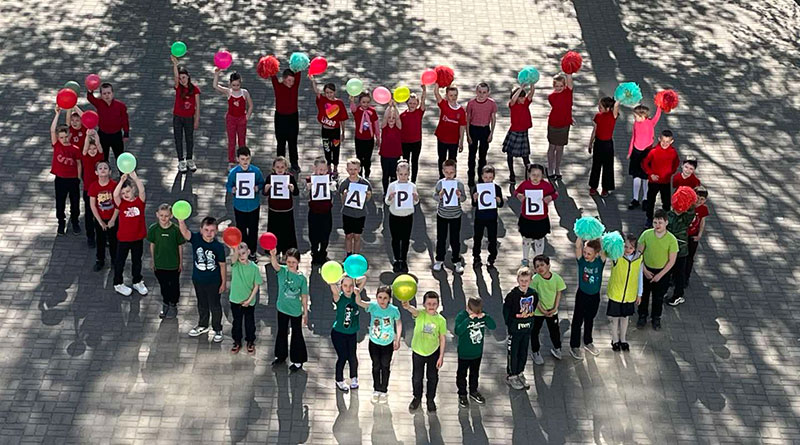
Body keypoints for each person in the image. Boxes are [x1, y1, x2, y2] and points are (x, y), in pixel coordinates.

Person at [178, 217, 227, 342]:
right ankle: (203, 325)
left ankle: (217, 328)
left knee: (215, 306)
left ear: (216, 231)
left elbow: (222, 265)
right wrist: (181, 221)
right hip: (198, 280)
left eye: (212, 230)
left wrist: (223, 282)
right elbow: (185, 232)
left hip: (214, 282)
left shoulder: (218, 247)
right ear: (201, 230)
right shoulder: (196, 239)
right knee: (202, 304)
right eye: (206, 230)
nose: (209, 233)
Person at [354, 284, 402, 404]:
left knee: (385, 366)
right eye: (380, 297)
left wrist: (397, 339)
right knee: (376, 366)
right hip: (374, 342)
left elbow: (398, 323)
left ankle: (384, 390)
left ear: (389, 299)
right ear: (376, 297)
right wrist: (357, 293)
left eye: (385, 298)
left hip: (388, 343)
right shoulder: (373, 306)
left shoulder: (394, 310)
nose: (382, 300)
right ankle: (376, 389)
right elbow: (359, 302)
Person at [402, 291, 446, 413]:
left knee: (432, 377)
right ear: (424, 304)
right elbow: (412, 310)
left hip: (433, 353)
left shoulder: (441, 320)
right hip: (418, 352)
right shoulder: (420, 314)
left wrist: (441, 356)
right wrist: (407, 306)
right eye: (428, 304)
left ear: (438, 304)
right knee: (417, 377)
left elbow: (442, 338)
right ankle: (417, 397)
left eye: (434, 304)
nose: (431, 306)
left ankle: (430, 399)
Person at [636, 209, 678, 330]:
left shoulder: (672, 240)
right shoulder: (646, 235)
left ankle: (656, 318)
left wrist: (660, 275)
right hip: (646, 270)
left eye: (660, 222)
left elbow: (671, 261)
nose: (657, 225)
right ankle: (642, 316)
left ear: (666, 223)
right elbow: (639, 254)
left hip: (662, 272)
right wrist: (644, 270)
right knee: (643, 294)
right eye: (655, 222)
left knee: (658, 297)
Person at [269, 248, 309, 371]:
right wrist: (273, 255)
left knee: (297, 334)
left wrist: (305, 313)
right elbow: (274, 265)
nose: (291, 264)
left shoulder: (301, 279)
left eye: (293, 262)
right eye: (289, 262)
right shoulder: (282, 271)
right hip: (282, 308)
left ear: (298, 262)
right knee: (281, 331)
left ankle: (298, 360)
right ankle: (280, 356)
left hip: (295, 311)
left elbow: (304, 296)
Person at [454, 297, 496, 407]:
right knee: (461, 375)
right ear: (467, 308)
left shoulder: (482, 316)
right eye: (473, 312)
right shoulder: (461, 316)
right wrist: (468, 319)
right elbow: (458, 331)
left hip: (477, 352)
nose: (476, 314)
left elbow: (493, 326)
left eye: (478, 312)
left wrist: (486, 317)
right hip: (464, 353)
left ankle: (473, 391)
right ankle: (462, 394)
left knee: (474, 374)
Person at [569, 237, 606, 360]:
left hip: (594, 296)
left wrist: (598, 234)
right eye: (585, 252)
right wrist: (581, 233)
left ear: (596, 254)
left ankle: (588, 342)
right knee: (577, 320)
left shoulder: (600, 262)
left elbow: (603, 247)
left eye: (589, 253)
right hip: (582, 295)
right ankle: (574, 346)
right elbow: (578, 246)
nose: (585, 255)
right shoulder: (582, 261)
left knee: (589, 319)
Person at [112, 172, 148, 297]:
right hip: (124, 239)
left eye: (127, 191)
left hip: (137, 238)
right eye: (122, 193)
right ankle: (118, 283)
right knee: (120, 261)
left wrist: (135, 178)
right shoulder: (121, 204)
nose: (125, 195)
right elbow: (115, 194)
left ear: (133, 189)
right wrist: (121, 181)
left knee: (137, 260)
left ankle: (137, 281)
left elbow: (142, 190)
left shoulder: (140, 202)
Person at [226, 146, 265, 261]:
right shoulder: (233, 173)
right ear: (238, 159)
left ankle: (252, 252)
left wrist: (258, 187)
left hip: (253, 206)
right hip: (240, 207)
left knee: (253, 230)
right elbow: (228, 185)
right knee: (241, 230)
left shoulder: (256, 171)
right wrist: (232, 189)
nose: (245, 162)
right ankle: (243, 252)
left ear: (250, 158)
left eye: (247, 159)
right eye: (242, 159)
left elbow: (261, 183)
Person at [514, 164, 558, 265]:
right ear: (529, 174)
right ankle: (525, 259)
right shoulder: (525, 185)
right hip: (527, 218)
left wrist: (550, 197)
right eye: (533, 175)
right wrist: (519, 196)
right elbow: (516, 192)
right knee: (526, 239)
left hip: (541, 218)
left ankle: (539, 260)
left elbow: (555, 193)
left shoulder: (546, 185)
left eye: (539, 175)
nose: (536, 177)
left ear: (542, 175)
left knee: (540, 239)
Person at [147, 203, 185, 319]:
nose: (164, 218)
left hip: (173, 264)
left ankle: (173, 304)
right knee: (163, 285)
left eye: (166, 216)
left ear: (171, 216)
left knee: (174, 285)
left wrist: (180, 262)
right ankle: (165, 302)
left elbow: (180, 246)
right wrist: (153, 260)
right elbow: (152, 245)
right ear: (157, 215)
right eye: (161, 215)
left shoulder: (176, 230)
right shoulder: (153, 229)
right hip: (159, 264)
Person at [607, 233, 643, 351]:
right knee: (615, 318)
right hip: (616, 294)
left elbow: (640, 276)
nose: (628, 250)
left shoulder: (639, 258)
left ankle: (623, 339)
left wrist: (639, 293)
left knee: (625, 318)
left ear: (635, 248)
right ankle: (615, 339)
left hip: (629, 295)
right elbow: (607, 249)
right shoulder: (616, 256)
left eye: (631, 248)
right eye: (625, 246)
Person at [329, 276, 364, 393]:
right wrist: (333, 278)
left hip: (352, 333)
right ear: (341, 287)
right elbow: (332, 286)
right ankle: (339, 379)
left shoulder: (356, 296)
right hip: (338, 333)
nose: (348, 288)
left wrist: (353, 278)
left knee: (352, 356)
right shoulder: (339, 298)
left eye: (350, 286)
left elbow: (364, 278)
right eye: (345, 286)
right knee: (343, 356)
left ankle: (354, 377)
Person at [309, 75, 349, 178]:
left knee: (336, 149)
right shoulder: (322, 100)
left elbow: (342, 119)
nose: (329, 95)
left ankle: (335, 167)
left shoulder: (339, 103)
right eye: (327, 92)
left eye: (331, 92)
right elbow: (316, 91)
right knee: (327, 149)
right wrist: (313, 80)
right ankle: (328, 167)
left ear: (334, 92)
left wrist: (343, 132)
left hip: (335, 131)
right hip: (325, 131)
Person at [504, 267, 537, 390]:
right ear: (518, 279)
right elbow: (506, 311)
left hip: (527, 329)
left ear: (530, 281)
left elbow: (534, 306)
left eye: (526, 280)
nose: (524, 283)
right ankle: (511, 375)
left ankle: (520, 372)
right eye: (522, 280)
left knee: (523, 352)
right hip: (515, 330)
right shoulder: (512, 296)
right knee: (513, 353)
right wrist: (510, 325)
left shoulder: (533, 294)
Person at [50, 106, 82, 236]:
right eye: (61, 137)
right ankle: (61, 222)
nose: (64, 139)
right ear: (58, 138)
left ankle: (75, 221)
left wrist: (78, 178)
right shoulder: (57, 145)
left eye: (65, 137)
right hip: (60, 179)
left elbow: (79, 164)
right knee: (60, 202)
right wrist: (57, 114)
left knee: (75, 202)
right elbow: (52, 130)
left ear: (69, 135)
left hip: (72, 179)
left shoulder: (75, 149)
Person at [213, 69, 253, 167]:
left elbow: (251, 105)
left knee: (242, 141)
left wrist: (247, 116)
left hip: (241, 119)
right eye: (233, 85)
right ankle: (231, 160)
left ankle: (243, 159)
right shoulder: (228, 92)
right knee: (231, 141)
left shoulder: (244, 92)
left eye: (237, 85)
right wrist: (217, 74)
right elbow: (215, 86)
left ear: (240, 83)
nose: (235, 87)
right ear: (230, 84)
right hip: (231, 119)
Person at [530, 255, 566, 364]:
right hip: (538, 312)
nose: (540, 268)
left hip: (552, 310)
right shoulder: (535, 279)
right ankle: (535, 352)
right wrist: (542, 310)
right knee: (535, 331)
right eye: (537, 266)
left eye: (542, 265)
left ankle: (557, 348)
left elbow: (559, 293)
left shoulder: (557, 278)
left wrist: (555, 308)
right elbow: (534, 296)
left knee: (554, 331)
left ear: (548, 265)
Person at [433, 159, 467, 273]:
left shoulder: (459, 184)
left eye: (451, 172)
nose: (449, 174)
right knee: (441, 238)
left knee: (455, 239)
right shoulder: (440, 183)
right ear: (443, 171)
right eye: (446, 172)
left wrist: (460, 196)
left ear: (455, 172)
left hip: (455, 215)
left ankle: (456, 260)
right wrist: (439, 196)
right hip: (442, 214)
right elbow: (434, 196)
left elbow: (464, 198)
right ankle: (439, 259)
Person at [385, 160, 419, 273]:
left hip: (407, 217)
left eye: (405, 174)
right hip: (395, 216)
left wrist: (416, 198)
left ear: (409, 174)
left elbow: (415, 202)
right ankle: (396, 260)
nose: (403, 177)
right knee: (395, 239)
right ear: (396, 173)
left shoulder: (412, 186)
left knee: (405, 239)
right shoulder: (392, 186)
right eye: (401, 174)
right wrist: (390, 198)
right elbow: (387, 202)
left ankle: (403, 260)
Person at [228, 242, 262, 355]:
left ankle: (250, 341)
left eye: (243, 253)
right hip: (235, 300)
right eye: (239, 254)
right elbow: (233, 258)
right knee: (236, 323)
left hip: (249, 301)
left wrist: (249, 300)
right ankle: (237, 341)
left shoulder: (254, 268)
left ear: (248, 252)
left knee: (249, 323)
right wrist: (234, 249)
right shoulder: (235, 264)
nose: (241, 256)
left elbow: (256, 286)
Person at [263, 156, 299, 259]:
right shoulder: (270, 177)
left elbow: (296, 192)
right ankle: (275, 252)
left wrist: (292, 188)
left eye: (282, 167)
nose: (280, 169)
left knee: (287, 232)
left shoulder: (290, 177)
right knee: (274, 232)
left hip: (287, 210)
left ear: (286, 168)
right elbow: (264, 193)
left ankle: (286, 253)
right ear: (273, 167)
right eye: (277, 167)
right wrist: (266, 189)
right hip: (274, 210)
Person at [642, 130, 680, 227]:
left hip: (665, 182)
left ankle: (666, 219)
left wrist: (671, 173)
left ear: (671, 141)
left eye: (667, 142)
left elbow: (676, 163)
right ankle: (649, 218)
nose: (665, 144)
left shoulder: (673, 152)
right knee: (651, 201)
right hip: (654, 181)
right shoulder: (653, 151)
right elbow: (645, 163)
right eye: (663, 141)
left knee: (666, 202)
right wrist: (651, 174)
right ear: (659, 139)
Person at [627, 105, 662, 209]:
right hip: (636, 152)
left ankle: (645, 199)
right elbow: (633, 137)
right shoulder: (636, 124)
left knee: (646, 178)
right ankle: (635, 199)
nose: (634, 118)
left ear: (643, 116)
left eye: (636, 116)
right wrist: (630, 151)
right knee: (636, 176)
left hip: (647, 153)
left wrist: (659, 106)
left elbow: (657, 116)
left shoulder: (650, 123)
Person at [170, 55, 201, 172]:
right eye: (180, 78)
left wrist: (196, 119)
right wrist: (175, 65)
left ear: (188, 77)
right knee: (178, 138)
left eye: (184, 77)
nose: (182, 80)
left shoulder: (194, 89)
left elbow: (197, 106)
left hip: (189, 118)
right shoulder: (178, 88)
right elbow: (175, 76)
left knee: (189, 139)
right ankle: (181, 161)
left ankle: (189, 159)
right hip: (178, 117)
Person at [666, 190, 696, 307]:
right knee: (679, 274)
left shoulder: (668, 216)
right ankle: (678, 295)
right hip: (681, 250)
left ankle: (665, 291)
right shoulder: (687, 217)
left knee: (667, 271)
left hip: (668, 250)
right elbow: (692, 208)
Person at [86, 82, 130, 162]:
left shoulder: (120, 106)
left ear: (112, 93)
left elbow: (125, 120)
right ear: (101, 95)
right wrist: (90, 90)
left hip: (116, 135)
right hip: (103, 134)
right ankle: (104, 169)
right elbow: (90, 98)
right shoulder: (99, 103)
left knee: (119, 157)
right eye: (104, 93)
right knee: (103, 157)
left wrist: (126, 133)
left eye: (109, 93)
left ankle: (121, 170)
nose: (107, 95)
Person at [338, 158, 372, 257]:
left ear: (359, 169)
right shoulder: (344, 183)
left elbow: (368, 200)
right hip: (347, 213)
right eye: (351, 169)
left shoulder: (365, 183)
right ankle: (348, 254)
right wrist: (344, 195)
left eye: (355, 169)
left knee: (357, 236)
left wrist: (368, 195)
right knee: (348, 236)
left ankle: (356, 255)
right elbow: (342, 202)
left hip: (360, 214)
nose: (353, 171)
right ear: (347, 170)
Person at [471, 165, 504, 268]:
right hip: (480, 217)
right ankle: (476, 257)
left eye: (490, 177)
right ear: (481, 177)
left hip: (492, 218)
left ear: (493, 177)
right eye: (485, 177)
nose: (488, 180)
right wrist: (474, 199)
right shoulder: (478, 187)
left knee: (492, 239)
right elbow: (474, 204)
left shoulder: (496, 188)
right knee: (477, 238)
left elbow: (501, 204)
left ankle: (492, 257)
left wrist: (499, 201)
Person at [465, 82, 497, 187]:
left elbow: (493, 119)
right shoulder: (471, 103)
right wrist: (468, 134)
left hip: (485, 129)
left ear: (488, 93)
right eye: (479, 92)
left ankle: (481, 178)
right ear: (476, 92)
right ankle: (470, 178)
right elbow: (467, 119)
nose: (481, 94)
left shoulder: (491, 103)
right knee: (471, 155)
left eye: (484, 92)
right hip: (474, 129)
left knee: (482, 156)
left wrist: (491, 133)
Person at [270, 69, 302, 172]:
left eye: (293, 81)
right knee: (281, 142)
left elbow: (299, 71)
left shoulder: (295, 86)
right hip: (280, 118)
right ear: (283, 79)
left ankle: (294, 163)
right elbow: (272, 74)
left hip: (293, 117)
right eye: (289, 80)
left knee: (293, 142)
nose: (291, 83)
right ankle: (280, 165)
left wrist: (297, 65)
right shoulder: (278, 86)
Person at [88, 161, 118, 271]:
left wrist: (113, 220)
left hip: (113, 218)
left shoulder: (114, 186)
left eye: (105, 168)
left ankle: (115, 260)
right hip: (100, 219)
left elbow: (118, 204)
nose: (103, 169)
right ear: (96, 172)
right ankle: (100, 260)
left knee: (114, 240)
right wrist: (100, 221)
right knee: (100, 240)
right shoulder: (93, 186)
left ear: (110, 172)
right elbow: (93, 205)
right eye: (100, 168)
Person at [305, 157, 336, 264]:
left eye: (324, 169)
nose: (322, 172)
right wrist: (307, 188)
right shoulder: (310, 179)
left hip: (326, 212)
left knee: (325, 233)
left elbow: (335, 193)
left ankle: (323, 251)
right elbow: (304, 195)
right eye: (320, 169)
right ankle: (314, 251)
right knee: (313, 233)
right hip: (314, 212)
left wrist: (333, 188)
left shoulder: (330, 179)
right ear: (315, 168)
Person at [433, 84, 467, 178]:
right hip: (442, 138)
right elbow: (436, 93)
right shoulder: (444, 104)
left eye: (455, 95)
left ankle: (452, 178)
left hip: (453, 140)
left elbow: (462, 126)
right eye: (451, 95)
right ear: (447, 96)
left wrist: (461, 141)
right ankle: (442, 177)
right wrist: (438, 83)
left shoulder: (461, 111)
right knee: (442, 159)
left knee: (452, 160)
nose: (453, 97)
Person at [502, 84, 535, 183]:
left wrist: (532, 83)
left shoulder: (526, 103)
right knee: (510, 155)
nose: (523, 99)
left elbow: (531, 93)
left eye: (523, 97)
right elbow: (513, 99)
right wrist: (521, 88)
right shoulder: (513, 105)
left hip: (524, 132)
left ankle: (529, 176)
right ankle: (512, 174)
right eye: (520, 97)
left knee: (525, 156)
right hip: (514, 132)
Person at [588, 97, 620, 196]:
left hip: (608, 145)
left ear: (607, 108)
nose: (599, 108)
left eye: (600, 106)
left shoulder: (612, 116)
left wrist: (619, 97)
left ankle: (605, 188)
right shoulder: (598, 116)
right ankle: (593, 186)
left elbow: (616, 106)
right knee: (596, 165)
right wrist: (590, 143)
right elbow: (595, 130)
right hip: (598, 143)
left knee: (608, 167)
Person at [546, 73, 574, 180]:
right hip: (553, 124)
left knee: (560, 148)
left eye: (561, 86)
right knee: (552, 147)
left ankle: (557, 168)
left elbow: (570, 83)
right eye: (556, 86)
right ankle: (550, 168)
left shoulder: (568, 92)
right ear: (553, 86)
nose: (559, 88)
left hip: (564, 125)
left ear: (565, 85)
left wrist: (568, 73)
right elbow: (560, 108)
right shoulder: (551, 97)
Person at [79, 129, 104, 247]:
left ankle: (103, 235)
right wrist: (87, 136)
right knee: (89, 214)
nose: (93, 151)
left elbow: (98, 144)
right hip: (88, 191)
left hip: (101, 191)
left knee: (102, 212)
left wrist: (96, 134)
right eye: (90, 149)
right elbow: (84, 147)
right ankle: (90, 237)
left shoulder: (99, 157)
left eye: (94, 149)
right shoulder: (85, 157)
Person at [349, 91, 380, 179]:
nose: (365, 104)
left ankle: (367, 173)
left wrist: (378, 137)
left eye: (367, 102)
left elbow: (376, 125)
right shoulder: (357, 110)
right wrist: (352, 101)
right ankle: (359, 173)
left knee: (367, 158)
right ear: (360, 102)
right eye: (363, 102)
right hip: (359, 139)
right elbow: (352, 108)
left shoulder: (372, 111)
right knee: (359, 157)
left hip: (369, 139)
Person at [400, 86, 427, 182]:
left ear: (417, 104)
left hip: (416, 142)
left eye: (414, 103)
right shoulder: (402, 115)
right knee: (405, 161)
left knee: (415, 161)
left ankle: (413, 180)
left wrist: (424, 90)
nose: (412, 105)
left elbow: (423, 100)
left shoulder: (419, 112)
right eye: (410, 103)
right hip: (405, 142)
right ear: (407, 103)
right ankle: (405, 178)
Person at [685, 187, 709, 287]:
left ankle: (686, 277)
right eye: (697, 198)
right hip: (683, 235)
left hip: (693, 236)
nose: (699, 201)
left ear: (705, 200)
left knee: (690, 257)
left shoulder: (703, 209)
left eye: (702, 199)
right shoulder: (687, 205)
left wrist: (699, 235)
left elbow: (702, 222)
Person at [379, 101, 403, 192]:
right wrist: (389, 107)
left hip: (395, 155)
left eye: (393, 118)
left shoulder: (398, 127)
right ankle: (385, 192)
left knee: (394, 175)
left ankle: (393, 192)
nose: (391, 119)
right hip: (385, 155)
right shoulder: (384, 127)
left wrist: (395, 107)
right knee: (385, 174)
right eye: (390, 117)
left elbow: (398, 118)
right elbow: (385, 117)